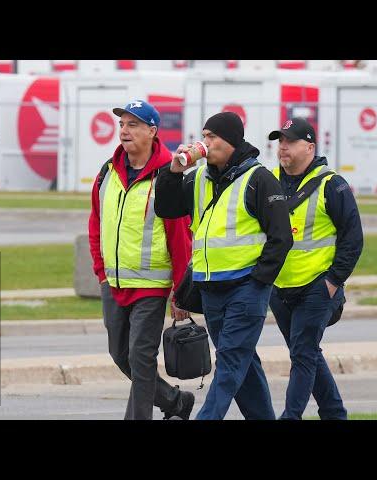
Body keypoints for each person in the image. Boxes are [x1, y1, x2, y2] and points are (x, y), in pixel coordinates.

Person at [154, 112, 293, 420]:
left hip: (246, 288)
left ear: (231, 141)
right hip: (211, 289)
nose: (206, 143)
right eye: (204, 136)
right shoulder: (199, 177)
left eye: (212, 137)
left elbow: (281, 237)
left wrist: (259, 281)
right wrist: (174, 171)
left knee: (230, 362)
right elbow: (166, 207)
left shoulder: (258, 178)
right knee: (244, 362)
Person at [88, 99, 195, 420]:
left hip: (151, 286)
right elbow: (96, 222)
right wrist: (101, 272)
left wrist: (181, 290)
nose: (124, 131)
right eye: (122, 124)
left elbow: (180, 238)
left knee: (141, 357)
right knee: (120, 355)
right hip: (114, 282)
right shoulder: (107, 171)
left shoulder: (168, 175)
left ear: (152, 131)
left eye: (133, 125)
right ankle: (175, 402)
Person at [267, 117, 364, 420]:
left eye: (290, 142)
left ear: (309, 147)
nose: (283, 148)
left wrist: (333, 282)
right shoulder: (267, 180)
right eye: (280, 141)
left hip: (317, 287)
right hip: (279, 288)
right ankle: (335, 413)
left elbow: (353, 238)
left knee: (303, 354)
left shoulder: (331, 184)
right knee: (305, 353)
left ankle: (290, 416)